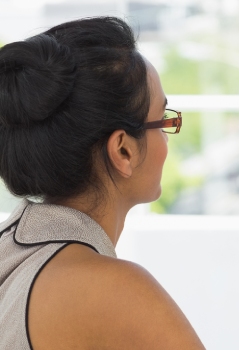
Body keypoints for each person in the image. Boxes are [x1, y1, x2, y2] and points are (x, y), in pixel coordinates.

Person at [0, 17, 204, 349]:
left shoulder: (10, 251)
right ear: (123, 150)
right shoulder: (115, 290)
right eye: (163, 120)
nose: (167, 140)